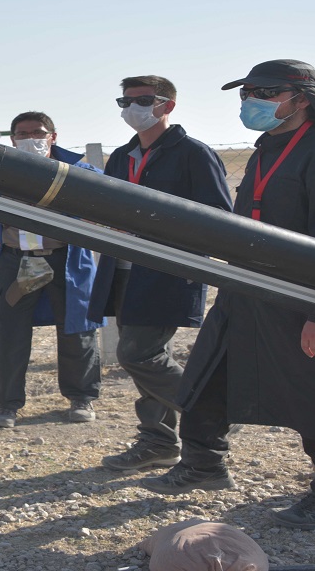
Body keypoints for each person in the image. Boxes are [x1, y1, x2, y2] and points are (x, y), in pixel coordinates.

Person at [140, 60, 315, 530]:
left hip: (307, 300)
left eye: (265, 92)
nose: (251, 101)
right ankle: (204, 464)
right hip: (247, 290)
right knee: (208, 375)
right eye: (247, 92)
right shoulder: (267, 150)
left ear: (302, 99)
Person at [89, 76, 233, 471]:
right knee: (150, 357)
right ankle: (158, 441)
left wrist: (153, 227)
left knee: (138, 353)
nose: (132, 107)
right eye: (125, 100)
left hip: (165, 270)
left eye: (143, 100)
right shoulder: (122, 156)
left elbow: (218, 216)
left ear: (167, 106)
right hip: (122, 270)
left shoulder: (193, 154)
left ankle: (210, 410)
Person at [0, 111, 103, 428]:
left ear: (53, 136)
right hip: (18, 262)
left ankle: (81, 398)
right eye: (23, 134)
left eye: (38, 132)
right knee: (9, 335)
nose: (31, 139)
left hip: (68, 261)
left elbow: (108, 205)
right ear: (13, 139)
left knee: (78, 332)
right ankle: (6, 405)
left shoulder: (79, 171)